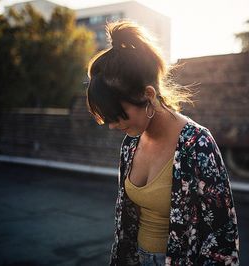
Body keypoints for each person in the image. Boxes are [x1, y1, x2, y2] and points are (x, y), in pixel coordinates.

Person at [86, 20, 239, 266]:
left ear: (147, 95)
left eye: (117, 114)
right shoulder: (130, 145)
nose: (112, 125)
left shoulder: (197, 145)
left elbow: (221, 239)